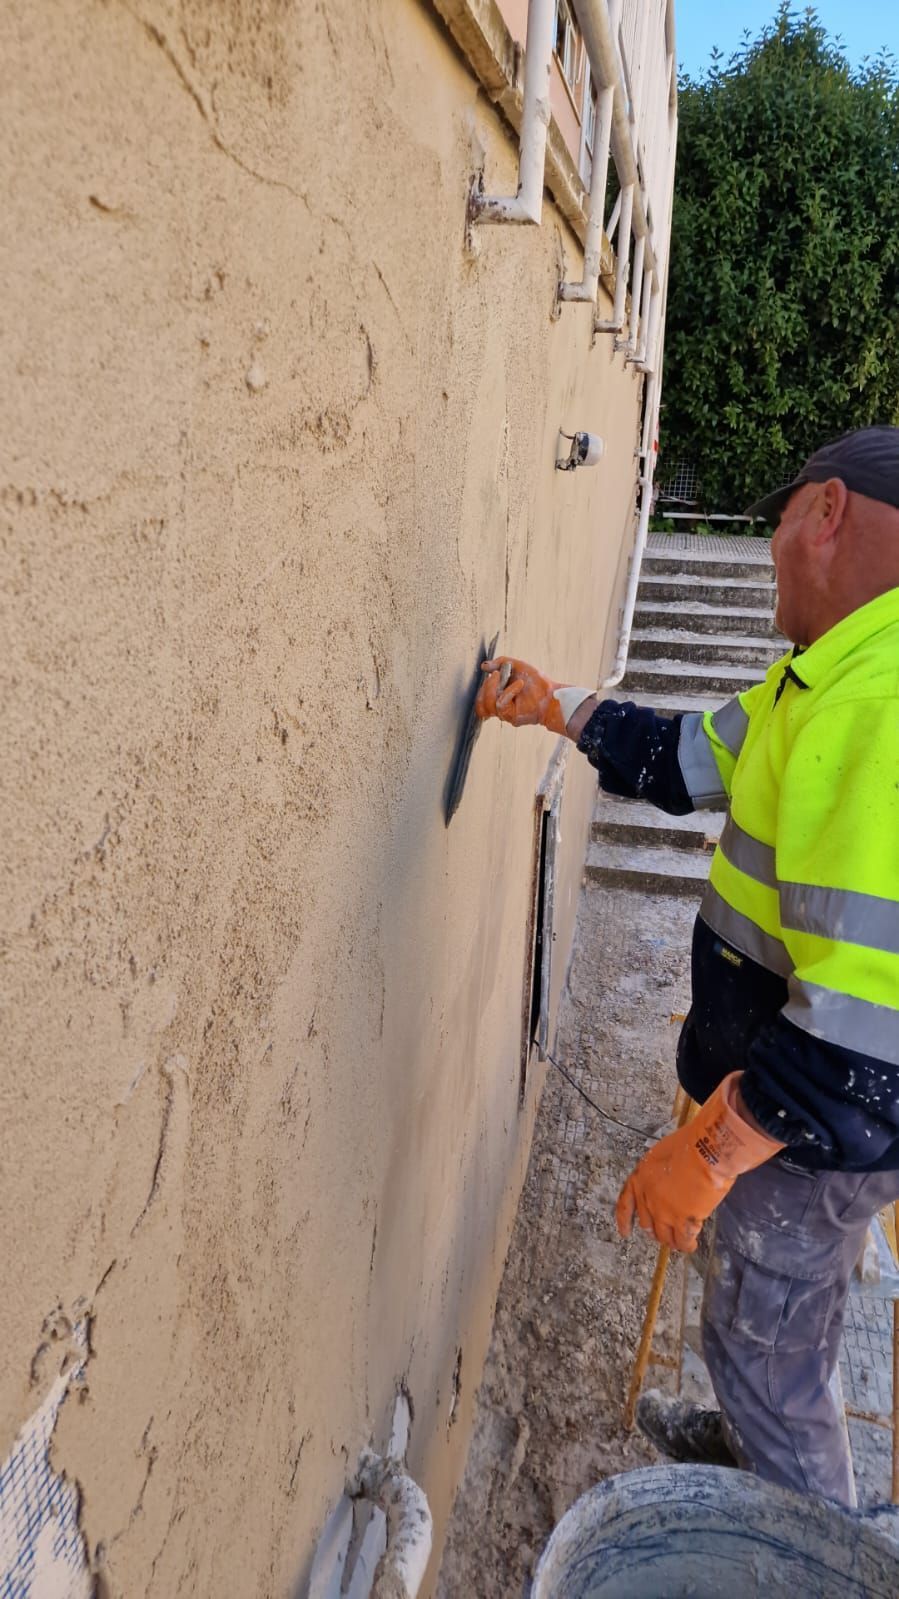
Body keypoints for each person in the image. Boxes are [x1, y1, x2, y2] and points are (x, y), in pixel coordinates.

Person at [475, 426, 899, 1504]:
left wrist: (714, 1152)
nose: (766, 550)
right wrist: (555, 705)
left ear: (827, 513)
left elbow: (862, 1031)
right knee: (779, 1313)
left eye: (778, 517)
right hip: (820, 1124)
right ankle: (755, 1431)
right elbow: (682, 761)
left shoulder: (877, 709)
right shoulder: (828, 677)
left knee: (764, 1344)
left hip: (813, 1132)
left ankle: (804, 1534)